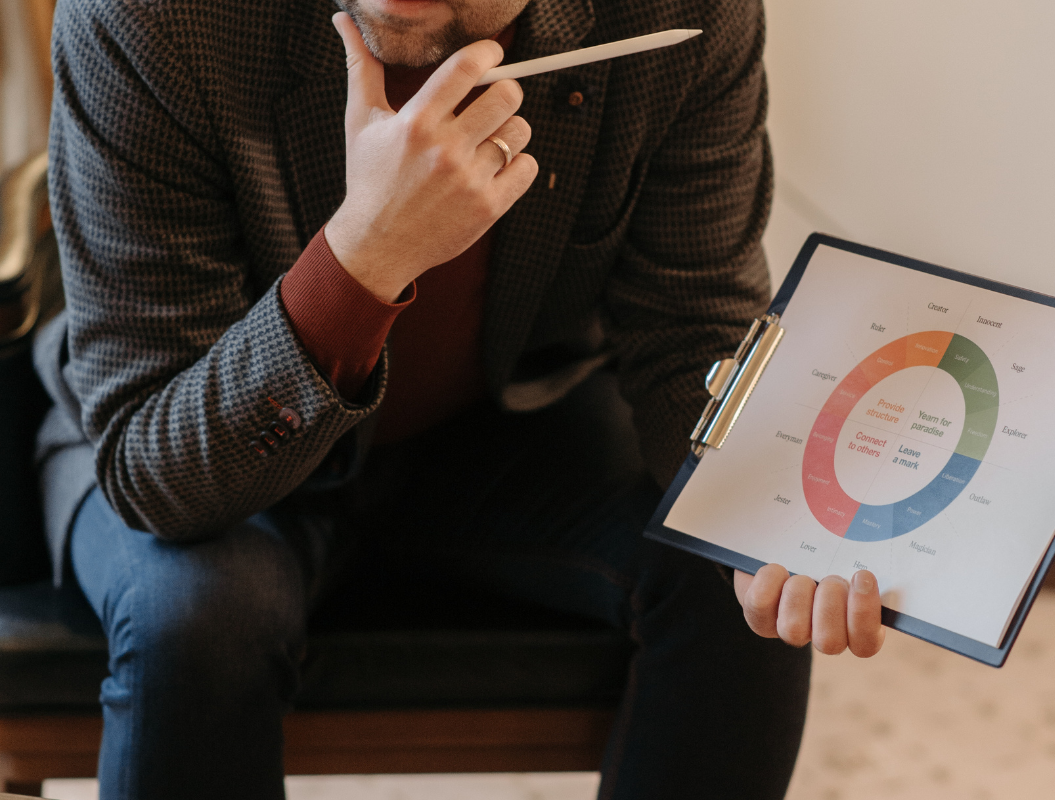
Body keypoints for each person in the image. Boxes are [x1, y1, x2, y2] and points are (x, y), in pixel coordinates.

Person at [34, 0, 886, 797]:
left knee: (736, 569)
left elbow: (692, 331)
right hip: (200, 426)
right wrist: (363, 258)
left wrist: (781, 525)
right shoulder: (151, 16)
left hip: (505, 421)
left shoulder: (681, 15)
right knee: (200, 621)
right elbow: (156, 470)